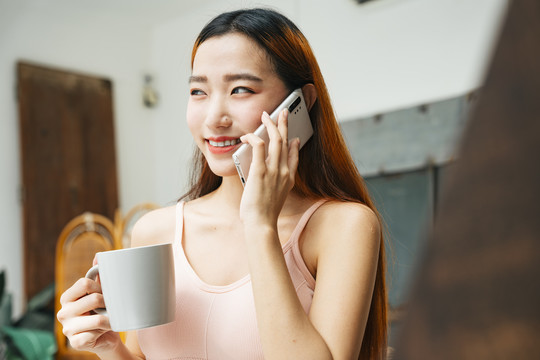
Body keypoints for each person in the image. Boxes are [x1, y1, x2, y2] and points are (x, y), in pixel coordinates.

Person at [57, 8, 387, 360]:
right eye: (198, 91)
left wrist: (260, 225)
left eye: (240, 89)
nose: (214, 118)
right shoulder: (155, 230)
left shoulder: (344, 227)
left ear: (301, 104)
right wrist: (109, 347)